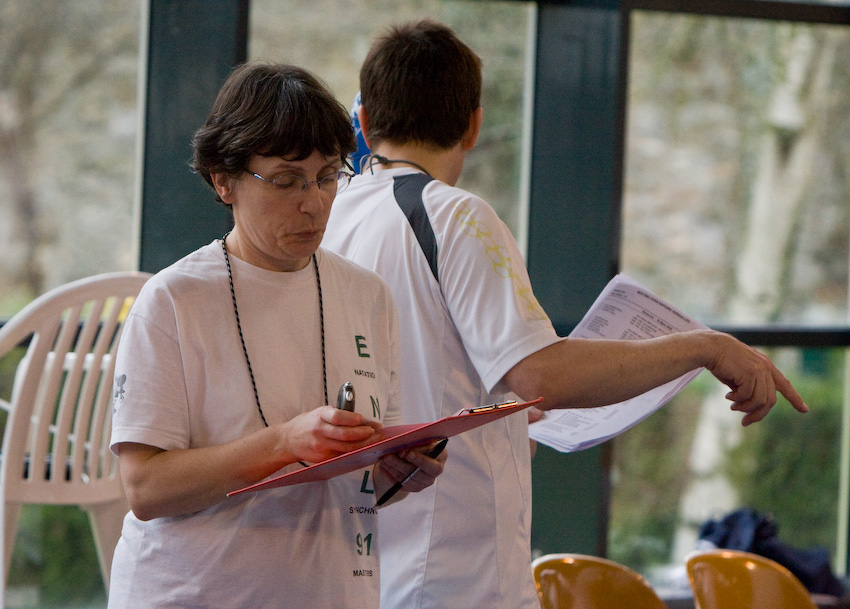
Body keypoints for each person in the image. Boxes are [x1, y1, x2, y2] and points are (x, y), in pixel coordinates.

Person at [322, 19, 808, 609]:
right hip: (453, 578)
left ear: (364, 120)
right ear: (474, 125)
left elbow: (417, 378)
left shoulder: (328, 218)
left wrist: (501, 422)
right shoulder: (453, 215)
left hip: (361, 569)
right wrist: (706, 346)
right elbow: (540, 376)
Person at [107, 62, 446, 609]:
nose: (314, 202)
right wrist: (283, 443)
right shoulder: (174, 300)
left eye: (328, 176)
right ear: (223, 179)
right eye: (287, 181)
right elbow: (145, 488)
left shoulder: (368, 296)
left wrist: (398, 471)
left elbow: (361, 485)